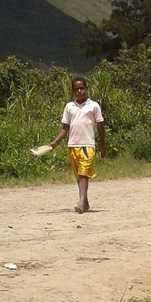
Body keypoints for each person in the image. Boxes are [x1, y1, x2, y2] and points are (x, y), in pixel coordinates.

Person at [49, 76, 105, 213]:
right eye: (76, 89)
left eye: (82, 88)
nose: (79, 91)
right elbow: (65, 127)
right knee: (79, 175)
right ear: (73, 91)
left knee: (83, 173)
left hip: (88, 145)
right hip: (73, 145)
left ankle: (80, 203)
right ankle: (85, 203)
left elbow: (100, 127)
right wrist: (55, 142)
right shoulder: (69, 107)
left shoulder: (94, 106)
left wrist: (102, 146)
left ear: (86, 89)